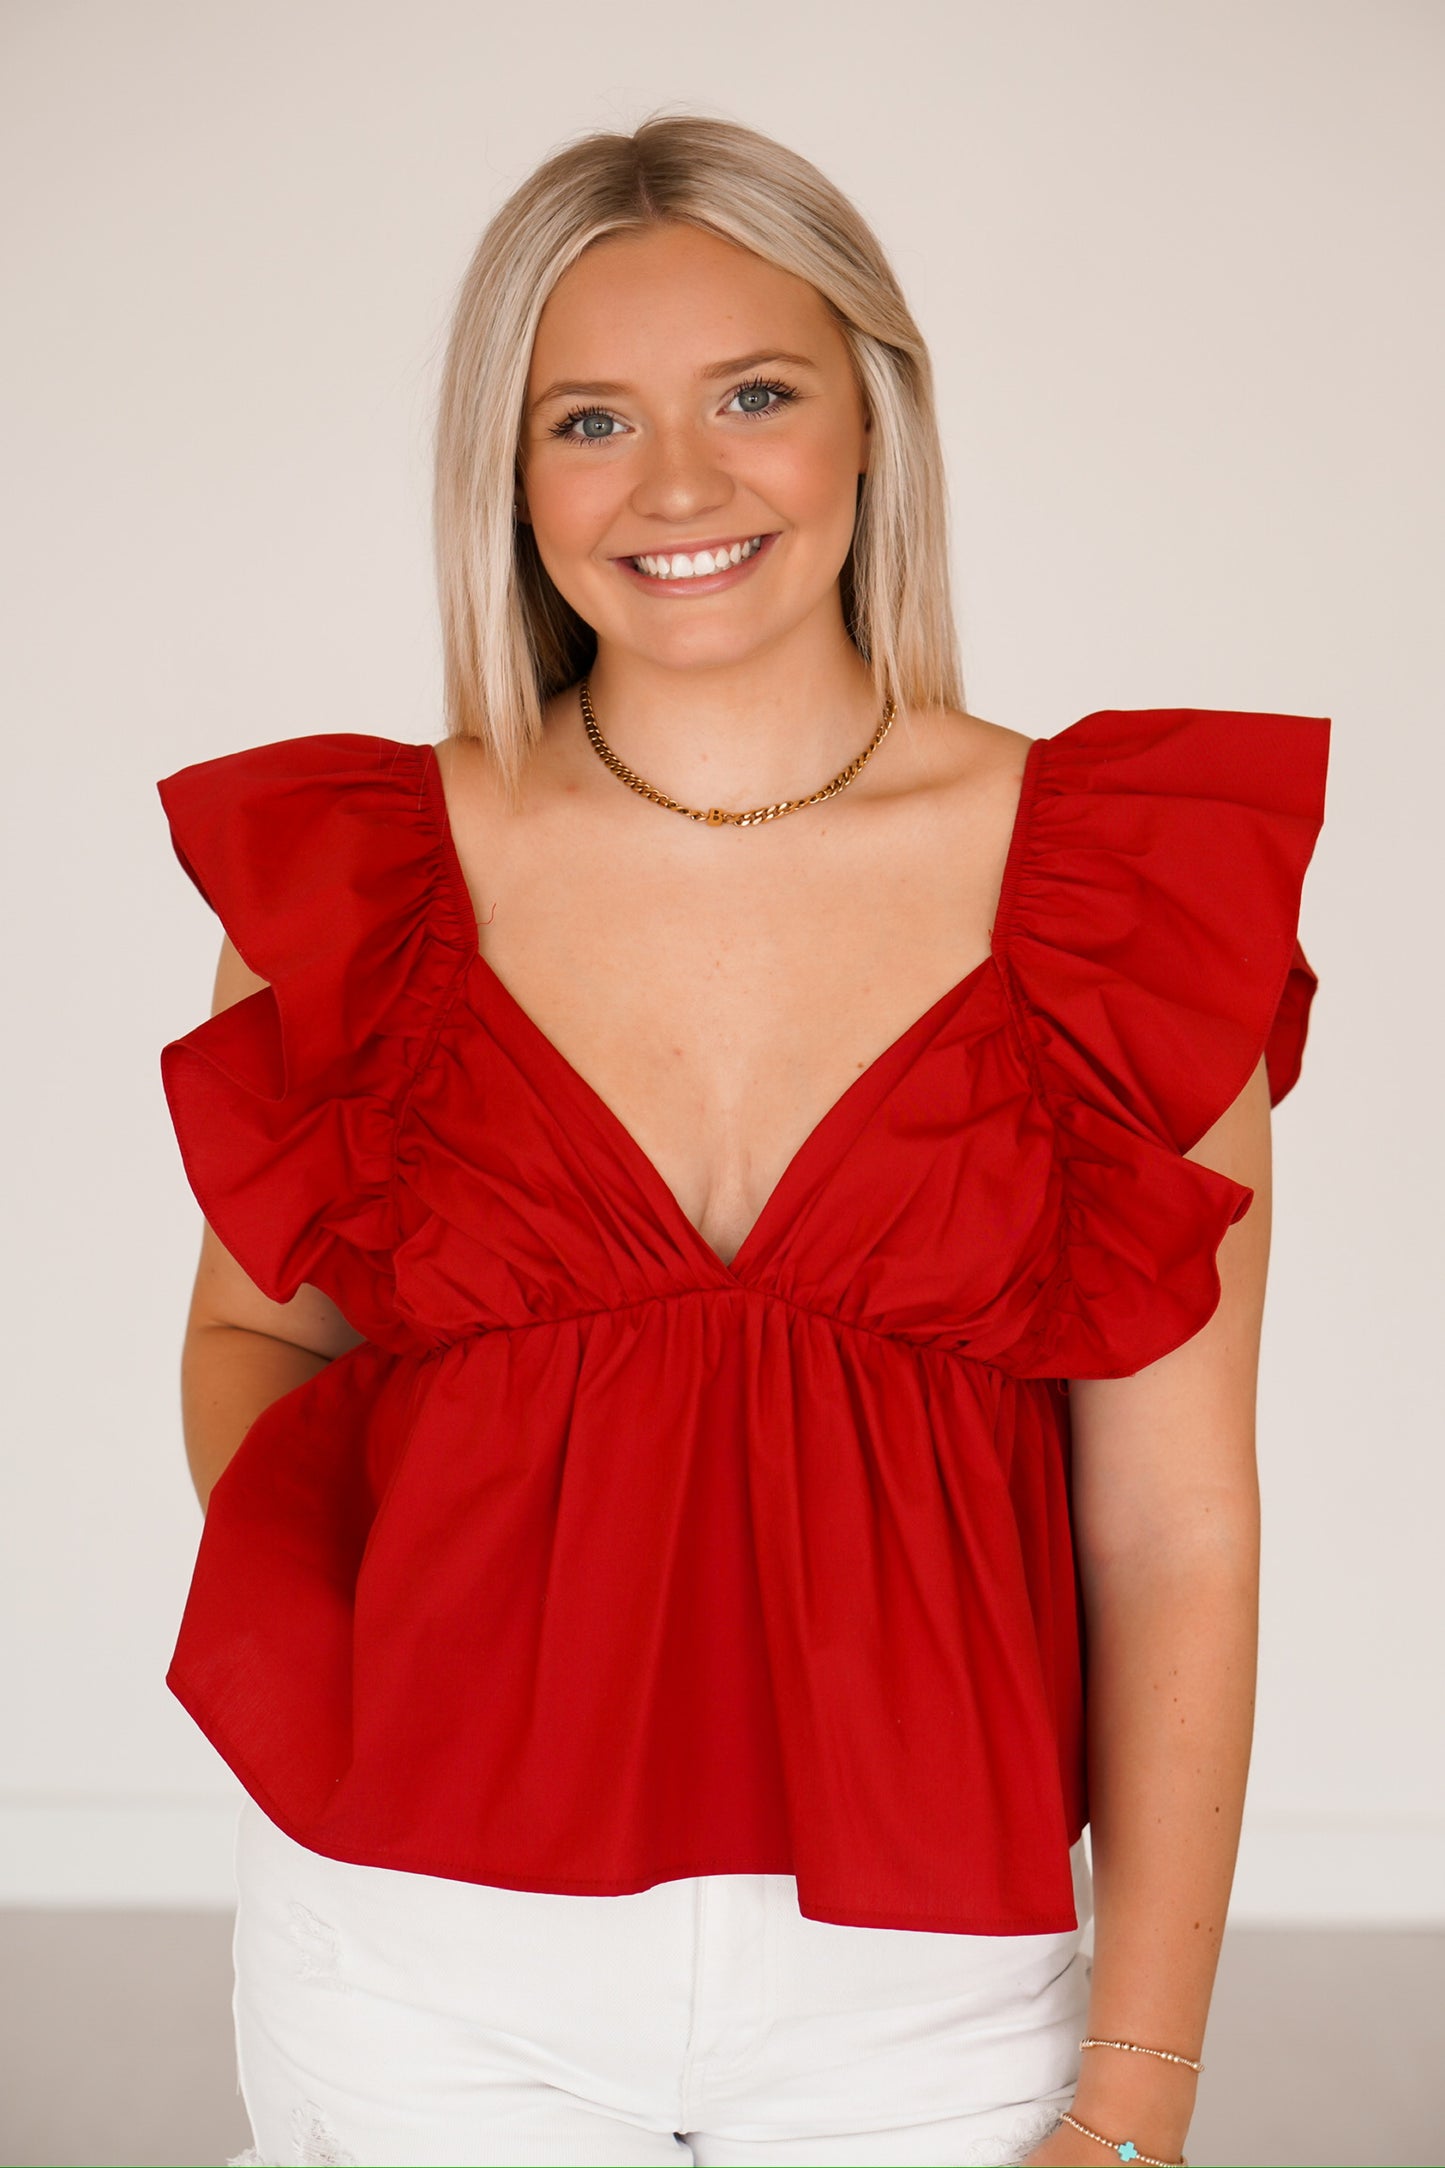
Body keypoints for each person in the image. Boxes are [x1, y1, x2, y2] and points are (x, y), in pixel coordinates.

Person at [155, 113, 1329, 2168]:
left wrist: (1140, 2085)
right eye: (588, 419)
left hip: (929, 1991)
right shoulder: (369, 883)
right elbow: (265, 1343)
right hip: (416, 1956)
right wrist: (399, 1620)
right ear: (510, 482)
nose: (678, 485)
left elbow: (1174, 1537)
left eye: (756, 396)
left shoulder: (1119, 900)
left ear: (872, 422)